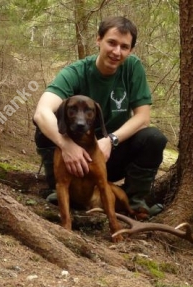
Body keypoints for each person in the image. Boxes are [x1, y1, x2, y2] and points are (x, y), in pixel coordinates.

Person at [33, 16, 167, 218]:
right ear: (98, 40)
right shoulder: (75, 72)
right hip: (72, 161)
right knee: (45, 128)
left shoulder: (132, 68)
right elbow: (41, 111)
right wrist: (66, 145)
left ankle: (134, 202)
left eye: (124, 46)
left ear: (130, 50)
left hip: (109, 157)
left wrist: (111, 140)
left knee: (154, 138)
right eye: (111, 43)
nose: (116, 52)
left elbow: (143, 117)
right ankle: (59, 189)